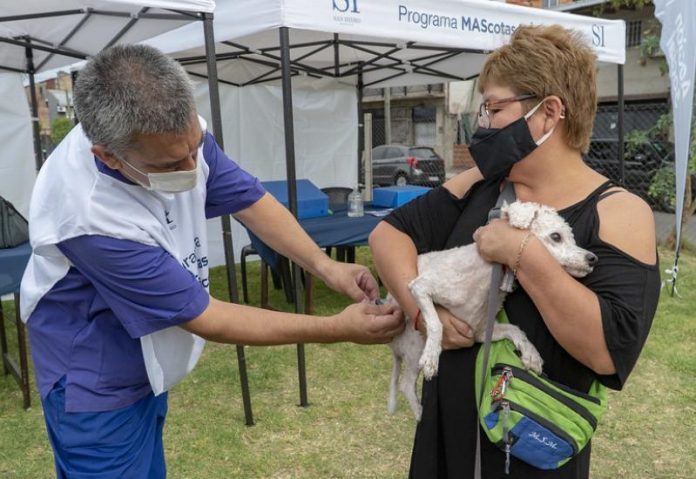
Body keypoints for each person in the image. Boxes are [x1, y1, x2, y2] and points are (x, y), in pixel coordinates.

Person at [20, 44, 403, 478]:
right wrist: (335, 328)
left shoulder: (174, 134)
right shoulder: (89, 216)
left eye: (194, 147)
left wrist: (325, 265)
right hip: (94, 380)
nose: (192, 165)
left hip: (145, 363)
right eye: (171, 162)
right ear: (109, 156)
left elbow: (250, 198)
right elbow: (206, 316)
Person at [369, 25, 660, 479]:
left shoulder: (620, 212)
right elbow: (389, 236)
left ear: (549, 113)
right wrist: (423, 316)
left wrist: (523, 252)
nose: (483, 123)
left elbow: (608, 352)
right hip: (446, 440)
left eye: (494, 107)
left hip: (528, 449)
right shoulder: (482, 186)